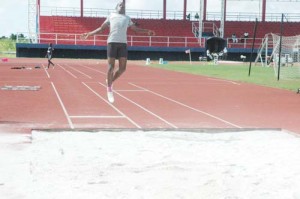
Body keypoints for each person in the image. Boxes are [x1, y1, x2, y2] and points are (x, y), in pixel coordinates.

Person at [82, 1, 155, 103]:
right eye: (120, 4)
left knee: (122, 68)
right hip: (112, 42)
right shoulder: (111, 16)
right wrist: (89, 34)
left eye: (123, 5)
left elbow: (136, 29)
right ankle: (109, 89)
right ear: (116, 7)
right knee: (111, 67)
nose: (122, 6)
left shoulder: (127, 18)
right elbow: (101, 29)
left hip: (123, 44)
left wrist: (147, 31)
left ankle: (109, 81)